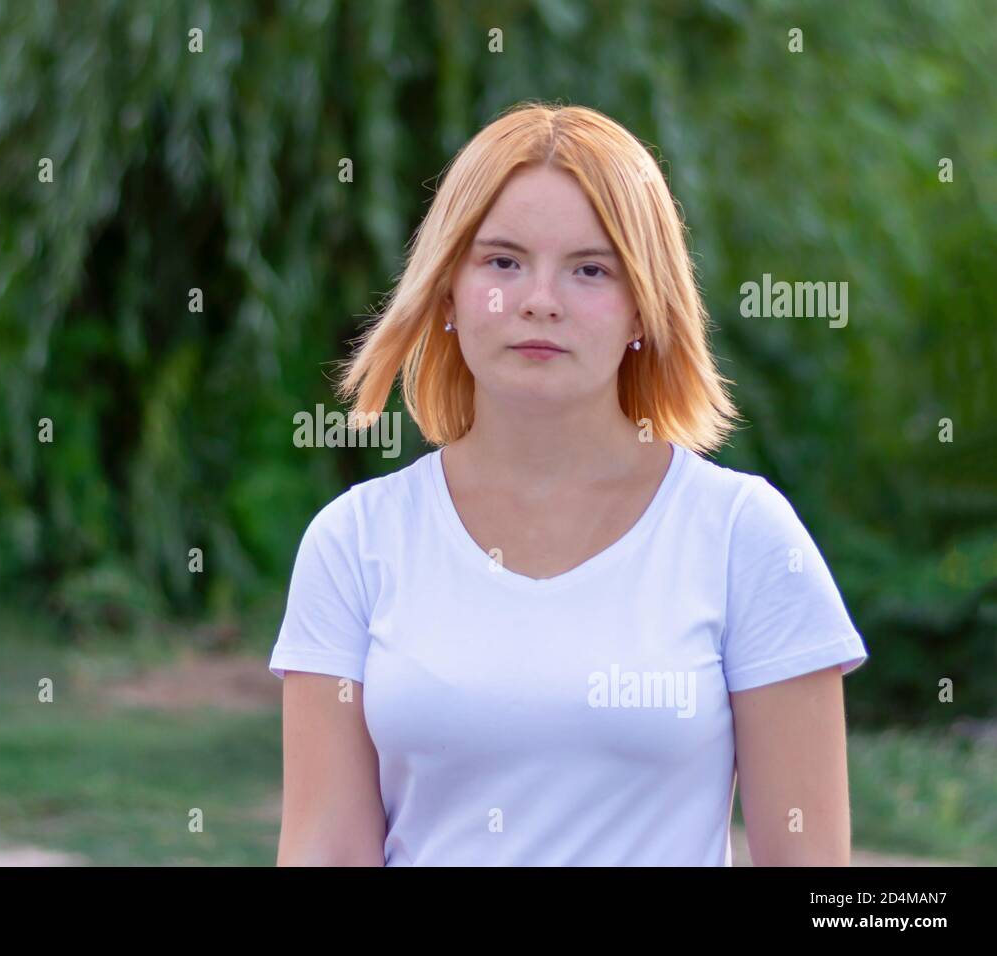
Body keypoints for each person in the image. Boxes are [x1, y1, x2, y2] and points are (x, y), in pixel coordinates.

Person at [268, 101, 869, 866]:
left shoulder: (744, 537)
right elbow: (324, 851)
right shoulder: (353, 543)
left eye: (591, 269)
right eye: (502, 262)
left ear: (645, 307)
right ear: (447, 290)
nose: (538, 299)